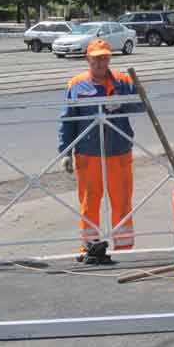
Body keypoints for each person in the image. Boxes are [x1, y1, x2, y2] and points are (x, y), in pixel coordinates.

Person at [58, 39, 142, 262]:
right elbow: (68, 120)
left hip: (119, 153)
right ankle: (89, 248)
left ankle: (124, 249)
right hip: (88, 153)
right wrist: (65, 152)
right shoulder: (76, 85)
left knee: (122, 201)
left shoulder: (123, 81)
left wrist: (122, 102)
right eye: (97, 58)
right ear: (88, 59)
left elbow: (142, 105)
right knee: (89, 202)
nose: (101, 62)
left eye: (105, 57)